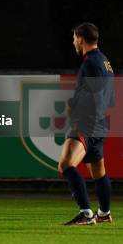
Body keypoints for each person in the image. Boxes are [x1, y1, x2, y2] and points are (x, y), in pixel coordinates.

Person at [59, 22, 114, 225]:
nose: (73, 41)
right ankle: (104, 213)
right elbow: (108, 99)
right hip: (100, 123)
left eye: (74, 38)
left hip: (87, 123)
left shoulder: (91, 62)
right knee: (99, 172)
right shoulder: (104, 61)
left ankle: (86, 213)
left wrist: (74, 107)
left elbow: (96, 97)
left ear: (81, 38)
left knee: (66, 164)